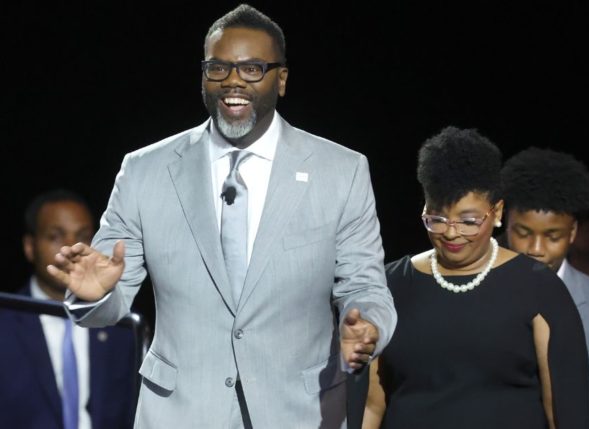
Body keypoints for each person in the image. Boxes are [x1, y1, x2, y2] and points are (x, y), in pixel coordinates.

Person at [47, 5, 396, 428]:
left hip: (298, 412)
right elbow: (110, 298)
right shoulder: (145, 170)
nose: (233, 81)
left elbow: (364, 283)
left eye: (252, 68)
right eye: (218, 68)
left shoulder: (340, 171)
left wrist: (367, 325)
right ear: (203, 75)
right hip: (180, 413)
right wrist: (94, 294)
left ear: (280, 79)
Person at [364, 127, 589, 428]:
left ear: (497, 212)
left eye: (469, 221)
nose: (451, 232)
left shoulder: (538, 289)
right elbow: (371, 406)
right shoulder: (392, 284)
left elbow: (563, 412)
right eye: (436, 219)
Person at [0, 190, 136, 429]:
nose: (72, 247)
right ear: (30, 246)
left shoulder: (119, 328)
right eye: (55, 236)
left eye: (83, 236)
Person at [501, 147, 589, 428]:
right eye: (523, 233)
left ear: (573, 232)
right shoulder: (464, 289)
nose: (537, 250)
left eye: (553, 236)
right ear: (504, 221)